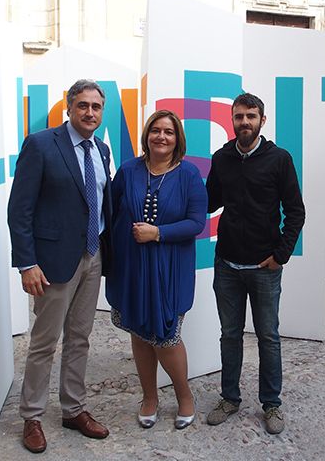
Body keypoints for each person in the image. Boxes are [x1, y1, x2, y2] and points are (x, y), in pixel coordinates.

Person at [8, 79, 112, 454]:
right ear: (68, 109)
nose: (89, 113)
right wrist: (27, 263)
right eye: (82, 105)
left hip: (92, 255)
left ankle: (73, 409)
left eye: (96, 107)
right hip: (52, 264)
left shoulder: (101, 150)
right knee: (44, 342)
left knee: (80, 339)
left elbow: (98, 203)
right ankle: (32, 415)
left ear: (102, 111)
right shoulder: (40, 144)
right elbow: (19, 209)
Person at [204, 93, 305, 435]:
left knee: (268, 337)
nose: (244, 122)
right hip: (228, 265)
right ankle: (229, 398)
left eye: (251, 116)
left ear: (263, 120)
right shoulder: (221, 159)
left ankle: (272, 404)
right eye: (238, 116)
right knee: (230, 335)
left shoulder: (279, 159)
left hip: (265, 268)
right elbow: (208, 202)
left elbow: (296, 211)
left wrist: (281, 254)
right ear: (231, 121)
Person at [106, 109, 206, 430]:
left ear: (178, 139)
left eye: (169, 131)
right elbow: (111, 211)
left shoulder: (189, 174)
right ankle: (149, 397)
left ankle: (184, 396)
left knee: (166, 335)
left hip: (170, 268)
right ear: (147, 135)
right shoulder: (129, 170)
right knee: (139, 331)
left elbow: (196, 223)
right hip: (133, 266)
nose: (161, 136)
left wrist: (158, 233)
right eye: (155, 130)